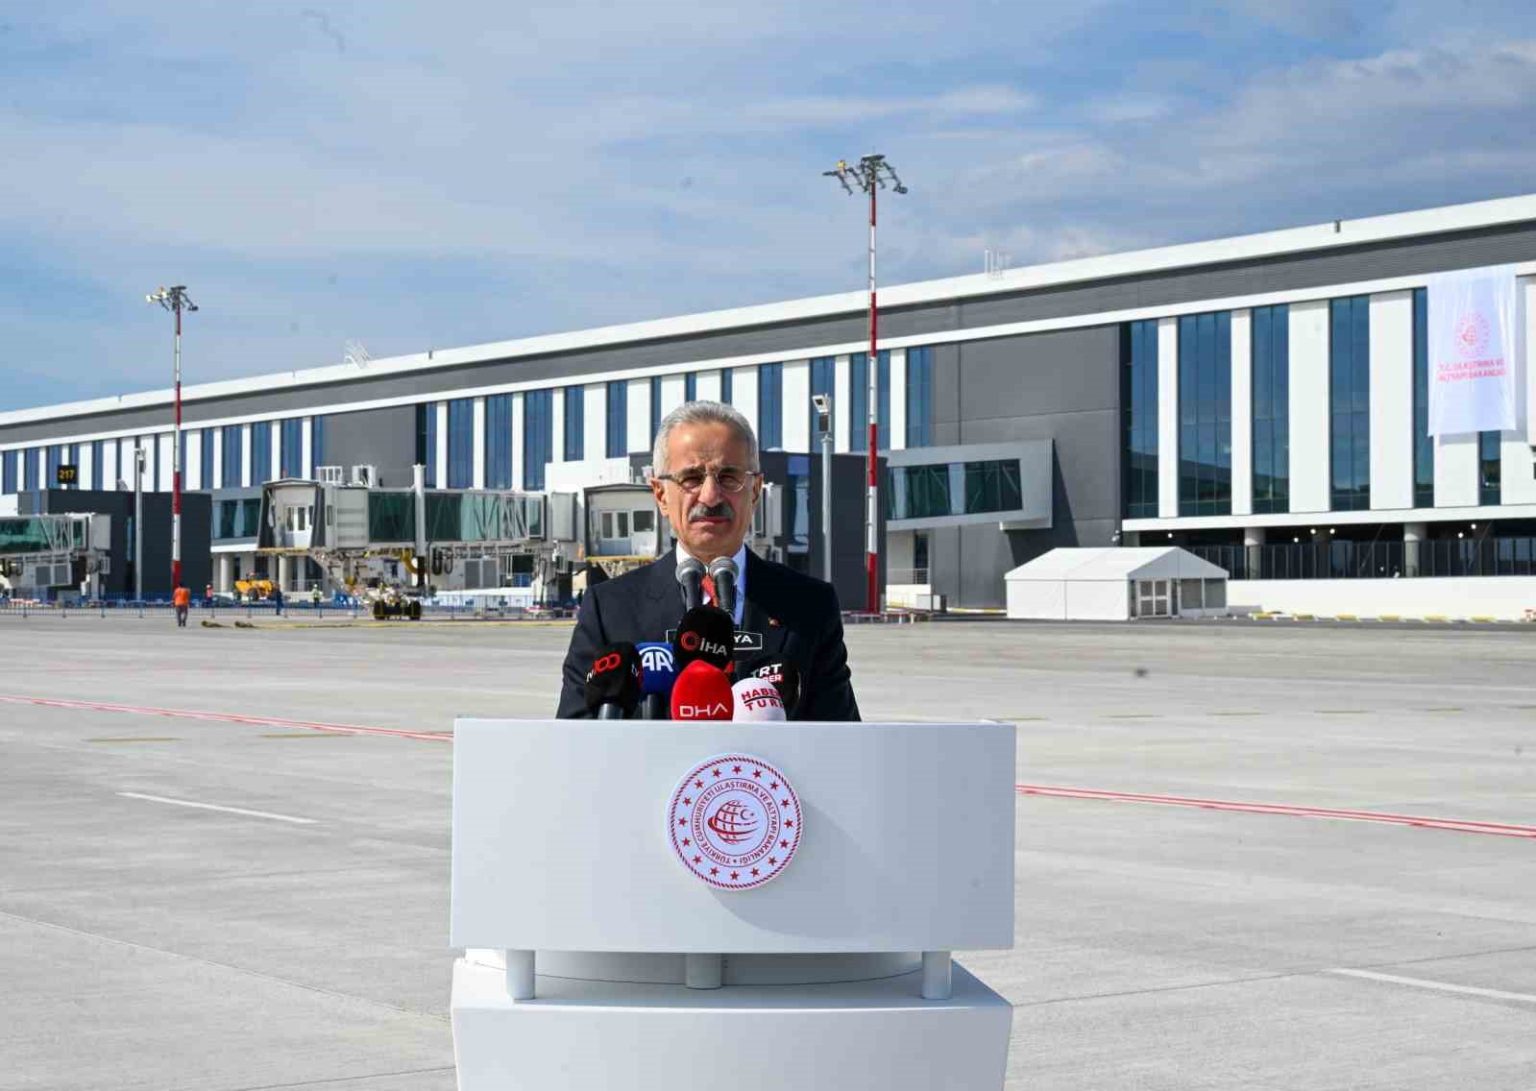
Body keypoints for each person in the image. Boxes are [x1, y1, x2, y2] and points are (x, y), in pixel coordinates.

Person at [556, 400, 859, 721]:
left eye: (728, 477)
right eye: (691, 478)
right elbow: (573, 738)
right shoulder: (608, 609)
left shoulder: (810, 605)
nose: (710, 496)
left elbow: (842, 737)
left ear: (755, 490)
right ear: (660, 495)